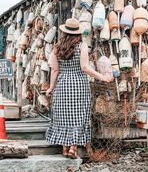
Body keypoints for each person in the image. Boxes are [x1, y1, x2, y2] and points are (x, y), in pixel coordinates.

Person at [46, 17, 113, 159]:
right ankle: (73, 148)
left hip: (63, 84)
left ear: (64, 32)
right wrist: (102, 77)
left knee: (63, 115)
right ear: (78, 33)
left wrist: (51, 87)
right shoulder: (82, 46)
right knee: (78, 115)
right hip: (78, 84)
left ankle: (64, 148)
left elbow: (54, 70)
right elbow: (84, 68)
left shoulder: (57, 48)